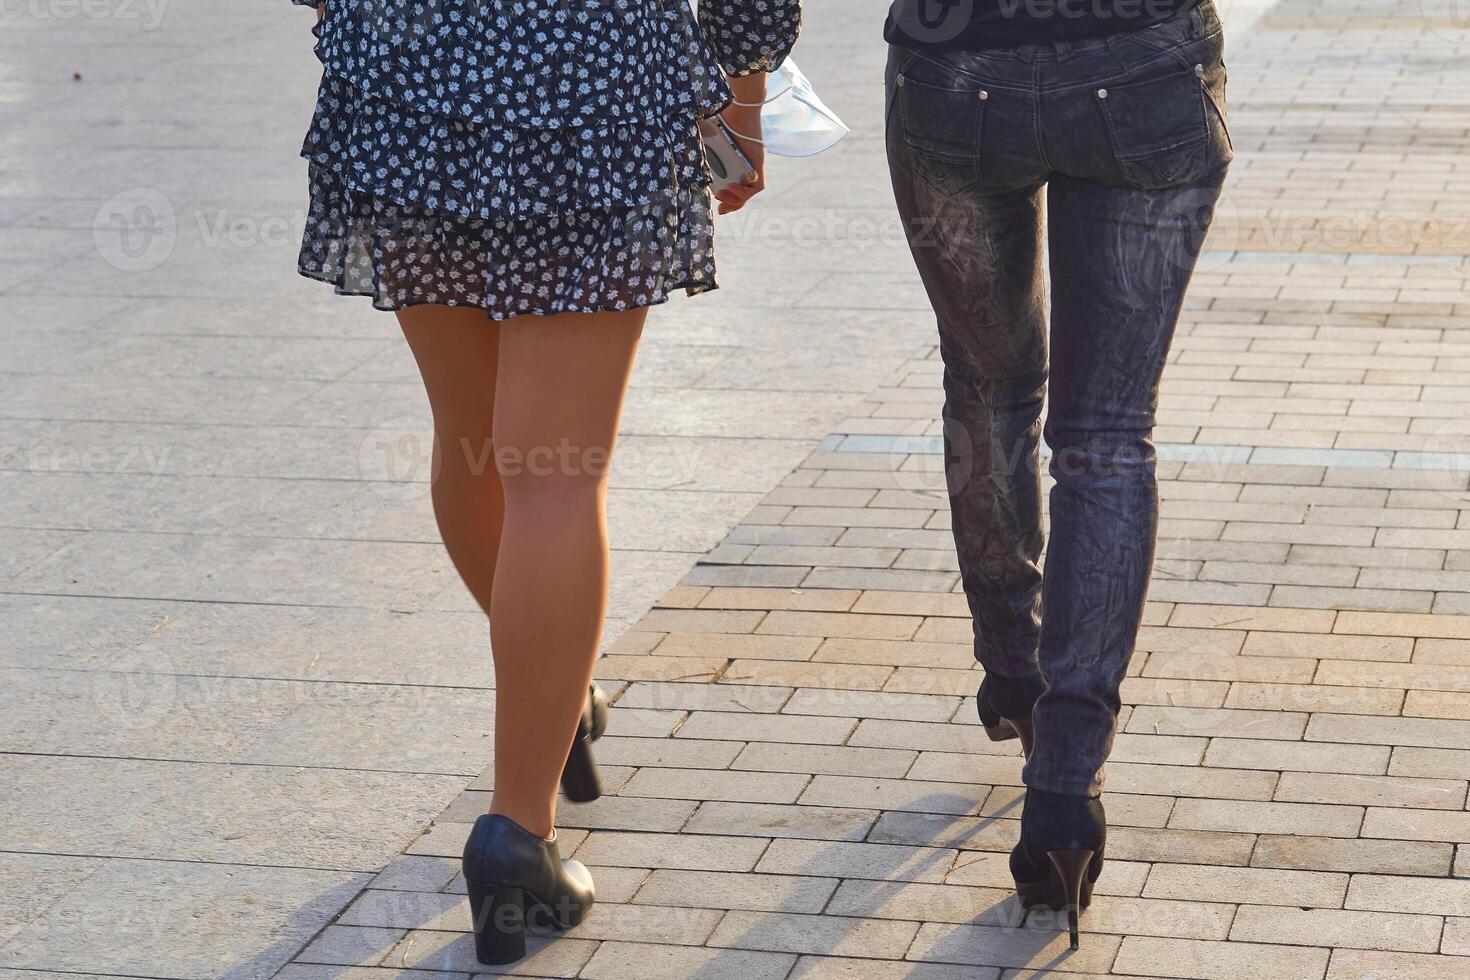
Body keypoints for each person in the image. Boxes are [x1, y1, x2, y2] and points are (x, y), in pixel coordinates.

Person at [291, 0, 801, 964]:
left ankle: (551, 696)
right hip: (594, 75)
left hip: (401, 79)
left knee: (472, 438)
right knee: (554, 477)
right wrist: (744, 87)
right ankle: (516, 837)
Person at [885, 0, 1232, 948]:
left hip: (954, 69)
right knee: (1107, 439)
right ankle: (1064, 794)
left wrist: (746, 74)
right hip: (1146, 59)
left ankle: (1013, 672)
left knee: (990, 394)